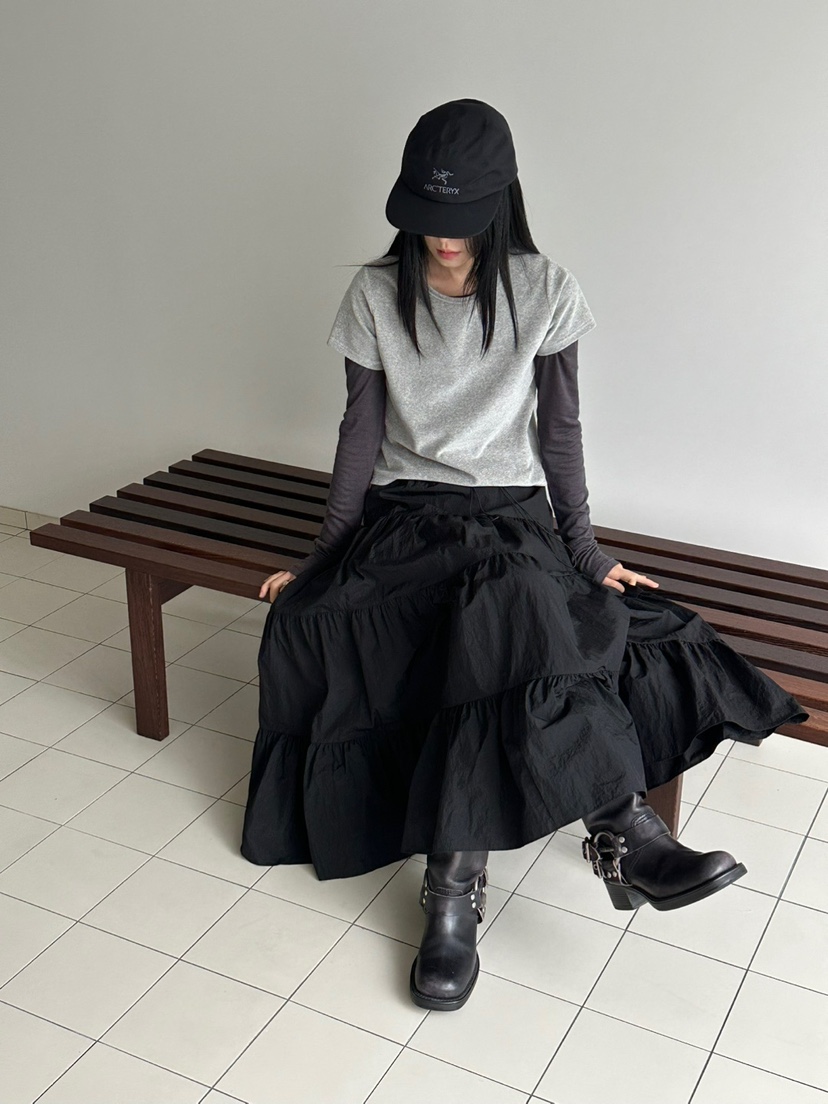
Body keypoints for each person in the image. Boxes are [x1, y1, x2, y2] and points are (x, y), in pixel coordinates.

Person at [241, 99, 809, 1012]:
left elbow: (561, 434)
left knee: (511, 600)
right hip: (406, 515)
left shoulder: (546, 290)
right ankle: (622, 836)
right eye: (429, 220)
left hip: (511, 514)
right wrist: (324, 557)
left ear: (502, 202)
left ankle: (454, 894)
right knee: (495, 613)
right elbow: (359, 435)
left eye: (462, 222)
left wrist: (584, 551)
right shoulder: (375, 296)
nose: (444, 242)